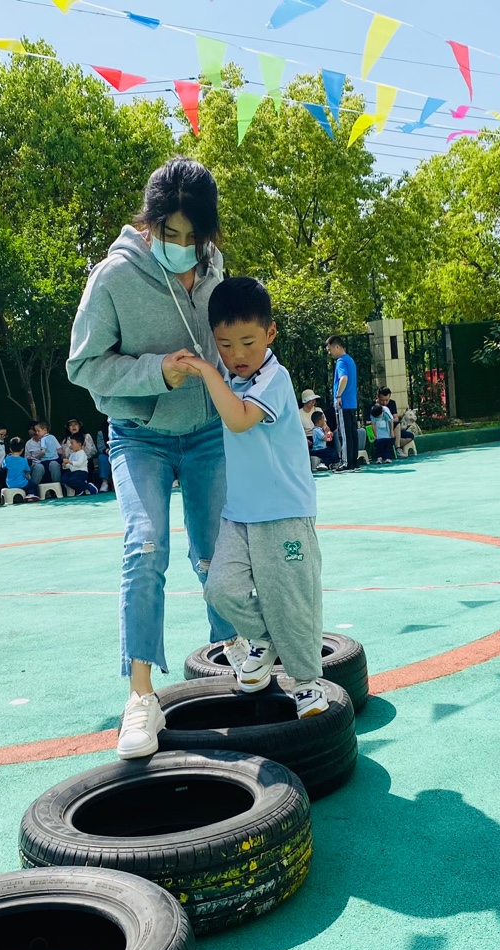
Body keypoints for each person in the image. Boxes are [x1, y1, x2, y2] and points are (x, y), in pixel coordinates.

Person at [67, 156, 237, 759]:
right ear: (149, 222)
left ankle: (231, 661)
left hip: (209, 432)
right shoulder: (113, 277)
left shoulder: (214, 268)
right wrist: (156, 371)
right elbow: (83, 366)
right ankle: (141, 696)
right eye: (172, 234)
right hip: (139, 435)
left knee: (217, 554)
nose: (184, 248)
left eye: (196, 237)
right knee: (145, 547)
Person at [172, 277, 328, 719]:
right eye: (224, 345)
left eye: (247, 342)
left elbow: (240, 420)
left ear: (270, 333)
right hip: (239, 514)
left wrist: (207, 370)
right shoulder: (230, 377)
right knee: (220, 590)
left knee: (290, 599)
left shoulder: (275, 378)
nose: (236, 354)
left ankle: (306, 683)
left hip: (283, 513)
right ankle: (264, 639)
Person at [327, 335, 359, 471]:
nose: (329, 353)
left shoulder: (341, 362)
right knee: (352, 433)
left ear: (337, 347)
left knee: (344, 434)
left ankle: (346, 462)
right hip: (352, 403)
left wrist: (338, 395)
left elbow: (343, 378)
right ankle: (353, 462)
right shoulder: (350, 360)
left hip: (343, 403)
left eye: (330, 349)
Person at [29, 422, 63, 488]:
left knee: (52, 465)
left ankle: (32, 489)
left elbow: (43, 451)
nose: (37, 433)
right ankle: (58, 488)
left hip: (45, 461)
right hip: (54, 460)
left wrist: (37, 456)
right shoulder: (53, 437)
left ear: (45, 430)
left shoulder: (43, 439)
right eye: (36, 431)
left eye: (38, 431)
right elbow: (60, 451)